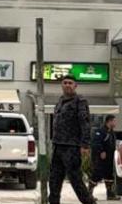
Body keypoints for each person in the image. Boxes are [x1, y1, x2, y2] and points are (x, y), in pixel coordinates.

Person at [49, 75, 97, 204]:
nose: (67, 85)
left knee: (76, 180)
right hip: (58, 146)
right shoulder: (60, 101)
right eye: (65, 83)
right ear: (61, 85)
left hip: (72, 147)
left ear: (75, 86)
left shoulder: (80, 101)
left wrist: (85, 145)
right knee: (54, 181)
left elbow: (85, 123)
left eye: (70, 83)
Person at [89, 114, 120, 200]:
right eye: (114, 121)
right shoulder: (100, 131)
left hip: (109, 158)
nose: (115, 122)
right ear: (109, 121)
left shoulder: (111, 132)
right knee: (96, 175)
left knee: (109, 176)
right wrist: (101, 151)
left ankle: (110, 195)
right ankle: (88, 194)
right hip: (100, 158)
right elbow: (95, 143)